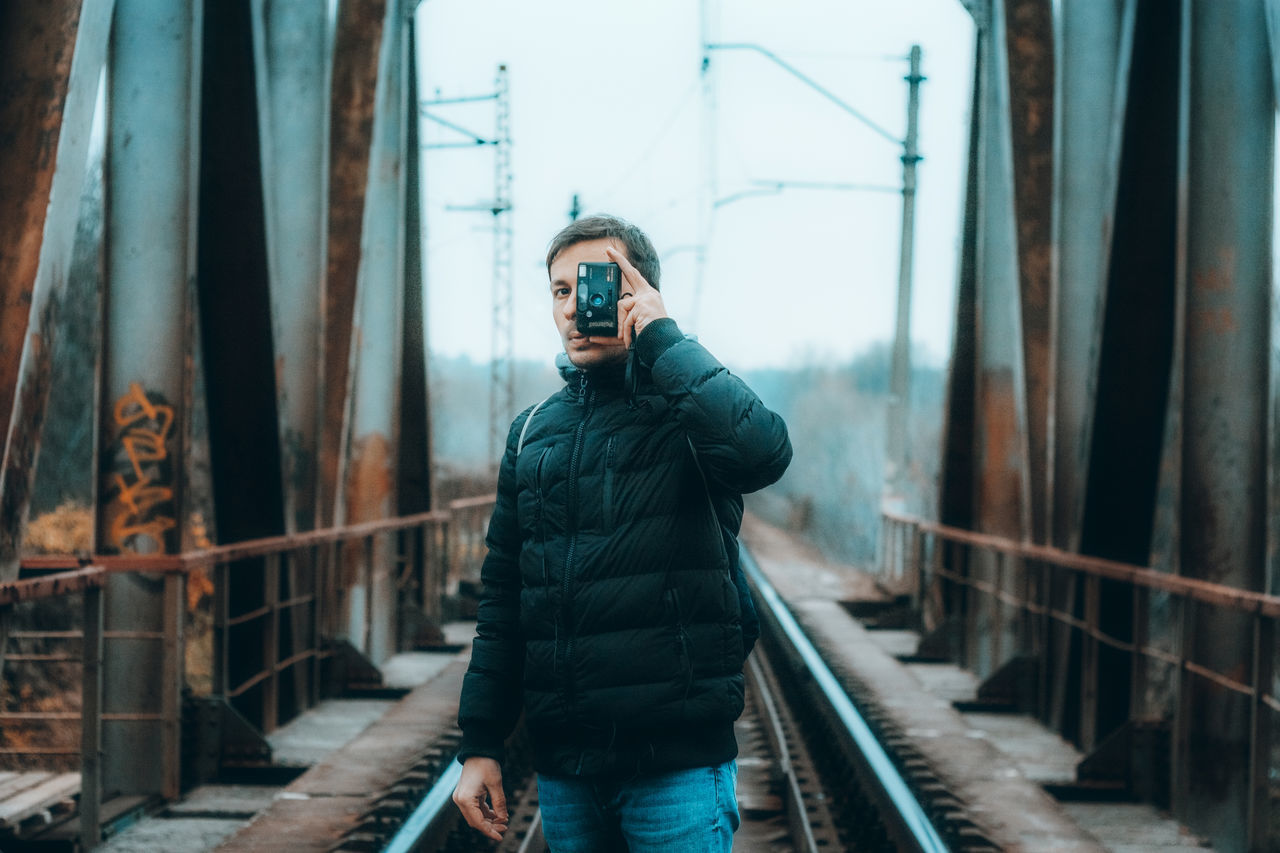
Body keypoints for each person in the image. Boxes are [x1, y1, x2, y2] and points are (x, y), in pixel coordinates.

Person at [451, 215, 792, 852]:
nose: (579, 307)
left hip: (677, 768)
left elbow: (762, 452)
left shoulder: (688, 413)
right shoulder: (531, 433)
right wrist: (481, 744)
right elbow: (502, 603)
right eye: (560, 291)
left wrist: (663, 338)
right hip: (567, 769)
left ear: (638, 289)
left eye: (597, 284)